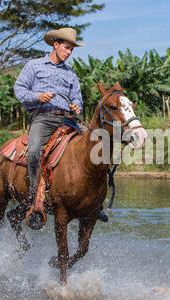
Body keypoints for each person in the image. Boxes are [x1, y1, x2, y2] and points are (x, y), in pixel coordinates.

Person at [14, 27, 108, 228]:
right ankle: (34, 198)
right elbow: (19, 89)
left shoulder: (71, 74)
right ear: (55, 45)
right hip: (43, 118)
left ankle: (96, 203)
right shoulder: (34, 66)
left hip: (68, 120)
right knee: (33, 151)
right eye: (66, 48)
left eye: (72, 50)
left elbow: (77, 98)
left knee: (99, 150)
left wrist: (76, 106)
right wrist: (37, 97)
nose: (69, 52)